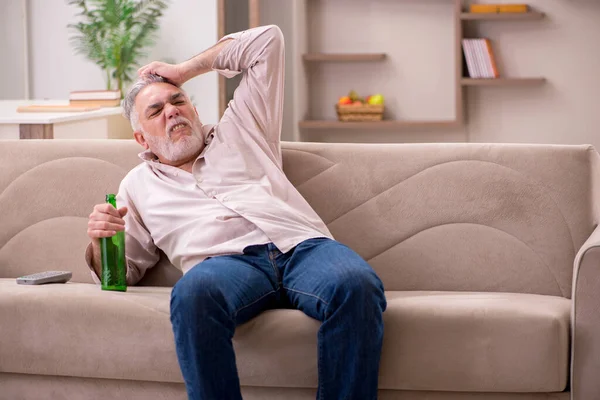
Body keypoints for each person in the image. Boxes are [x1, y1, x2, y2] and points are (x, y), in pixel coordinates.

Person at [85, 24, 387, 400]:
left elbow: (268, 40)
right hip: (225, 267)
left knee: (357, 284)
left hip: (302, 249)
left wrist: (184, 70)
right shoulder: (136, 185)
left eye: (178, 101)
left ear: (194, 108)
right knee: (192, 295)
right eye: (156, 110)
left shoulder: (244, 128)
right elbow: (122, 273)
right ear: (141, 138)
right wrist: (100, 242)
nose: (172, 112)